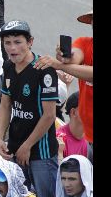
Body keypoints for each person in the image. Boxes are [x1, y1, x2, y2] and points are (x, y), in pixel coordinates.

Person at [0, 20, 59, 197]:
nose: (12, 48)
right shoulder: (8, 66)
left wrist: (27, 145)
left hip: (41, 152)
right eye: (8, 43)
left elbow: (49, 115)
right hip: (15, 148)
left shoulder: (43, 70)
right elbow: (5, 104)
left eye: (17, 42)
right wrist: (0, 137)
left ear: (30, 42)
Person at [37, 10, 93, 144]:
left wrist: (60, 65)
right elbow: (73, 57)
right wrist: (63, 55)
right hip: (86, 134)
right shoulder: (85, 43)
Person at [56, 92, 90, 160]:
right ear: (73, 112)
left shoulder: (90, 139)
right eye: (88, 107)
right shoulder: (59, 139)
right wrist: (60, 154)